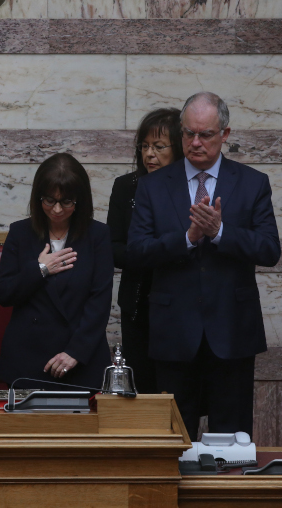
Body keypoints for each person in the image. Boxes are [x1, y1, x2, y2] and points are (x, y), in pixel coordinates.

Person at [127, 92, 280, 439]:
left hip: (232, 330)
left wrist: (220, 232)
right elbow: (136, 251)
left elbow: (269, 249)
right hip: (174, 332)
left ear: (224, 134)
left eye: (206, 134)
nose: (195, 143)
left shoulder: (253, 183)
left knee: (233, 439)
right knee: (174, 440)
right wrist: (188, 238)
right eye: (188, 133)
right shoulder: (152, 187)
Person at [0, 153, 114, 389]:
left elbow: (99, 301)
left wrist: (75, 352)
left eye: (67, 202)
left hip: (80, 358)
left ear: (80, 200)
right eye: (49, 200)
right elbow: (3, 293)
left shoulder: (97, 236)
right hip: (29, 357)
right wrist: (40, 269)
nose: (57, 209)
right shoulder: (20, 233)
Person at [107, 108, 182, 394]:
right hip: (138, 305)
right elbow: (113, 247)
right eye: (145, 146)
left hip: (179, 307)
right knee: (143, 390)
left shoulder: (189, 189)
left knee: (177, 394)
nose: (150, 154)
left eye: (159, 147)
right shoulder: (126, 187)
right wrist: (150, 253)